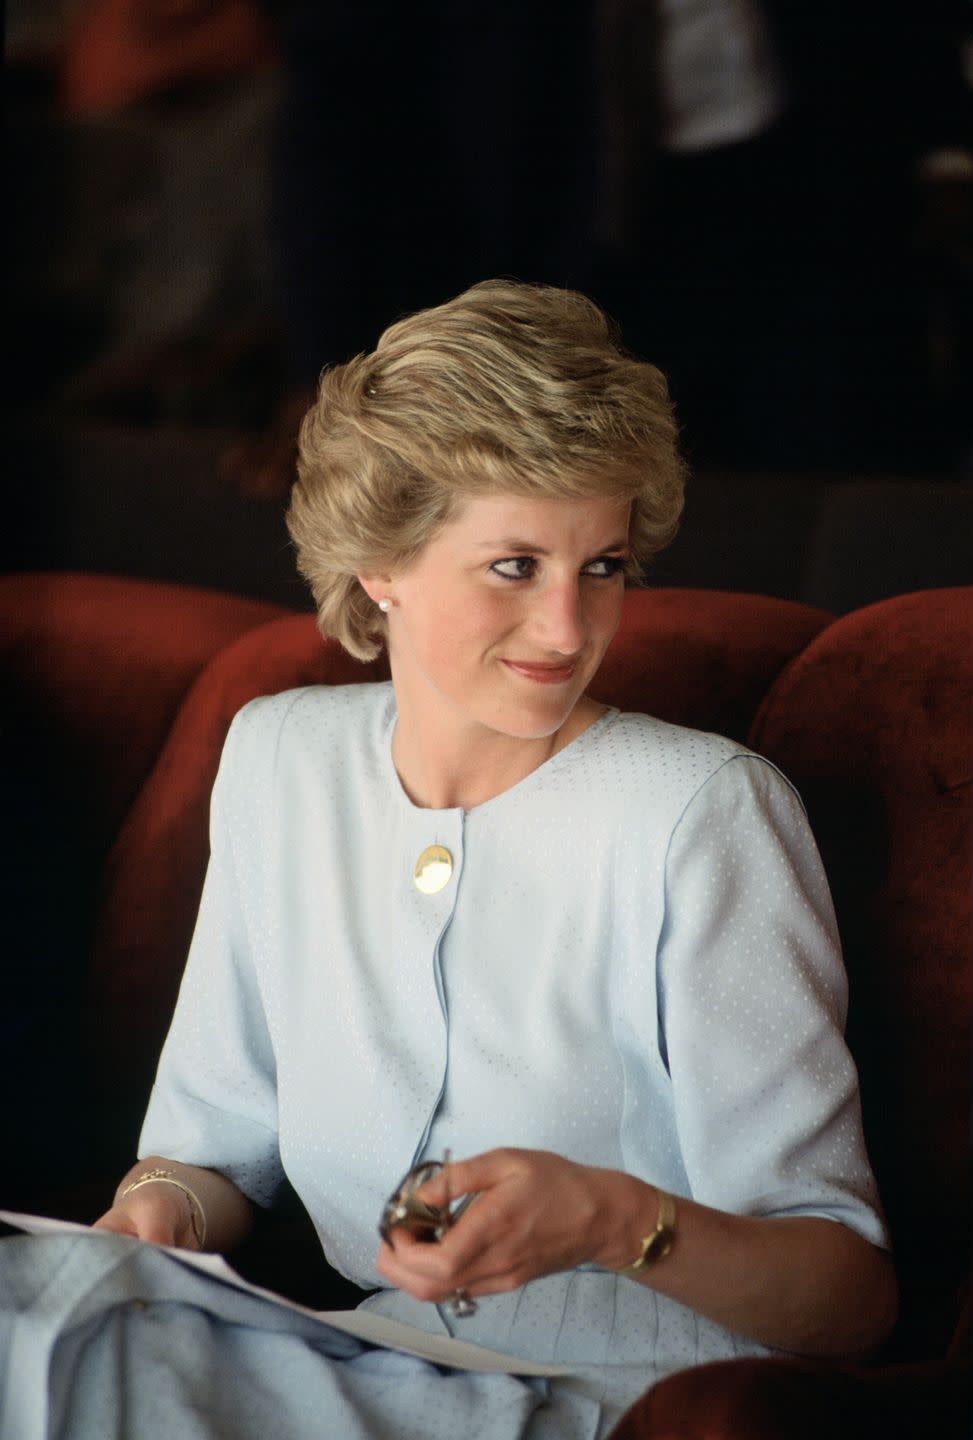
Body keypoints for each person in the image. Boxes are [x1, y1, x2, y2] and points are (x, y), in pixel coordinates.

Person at [6, 281, 896, 1438]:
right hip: (361, 1358)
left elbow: (848, 1296)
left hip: (616, 1399)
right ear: (379, 562)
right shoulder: (280, 761)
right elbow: (210, 1149)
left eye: (605, 565)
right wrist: (160, 1210)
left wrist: (609, 1219)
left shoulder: (702, 812)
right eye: (515, 565)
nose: (570, 630)